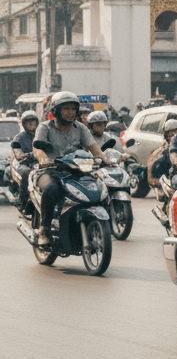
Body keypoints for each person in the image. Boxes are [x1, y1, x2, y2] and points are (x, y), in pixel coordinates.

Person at [33, 92, 111, 247]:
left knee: (100, 186)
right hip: (50, 171)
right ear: (56, 111)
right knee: (51, 189)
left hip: (76, 171)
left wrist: (105, 159)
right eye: (66, 109)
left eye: (73, 109)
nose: (71, 112)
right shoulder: (45, 127)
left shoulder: (80, 128)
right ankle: (45, 229)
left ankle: (103, 223)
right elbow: (37, 148)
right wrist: (43, 159)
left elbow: (93, 147)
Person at [11, 109, 39, 210]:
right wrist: (26, 155)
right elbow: (18, 153)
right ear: (24, 124)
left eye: (33, 122)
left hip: (40, 162)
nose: (32, 125)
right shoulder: (19, 137)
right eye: (29, 123)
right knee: (27, 172)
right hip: (25, 163)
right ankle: (22, 199)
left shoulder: (41, 135)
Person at [147, 118, 177, 186]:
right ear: (167, 137)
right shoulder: (162, 152)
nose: (175, 137)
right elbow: (153, 175)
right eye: (172, 135)